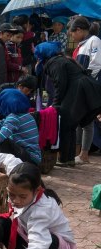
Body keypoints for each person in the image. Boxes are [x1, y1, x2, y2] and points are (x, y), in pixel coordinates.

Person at [35, 42, 101, 166]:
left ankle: (65, 159)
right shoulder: (63, 59)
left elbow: (60, 84)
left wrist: (55, 104)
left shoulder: (54, 63)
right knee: (71, 125)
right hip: (85, 90)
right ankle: (69, 159)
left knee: (66, 124)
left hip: (79, 91)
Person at [70, 16, 101, 164]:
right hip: (81, 87)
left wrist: (85, 83)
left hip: (89, 87)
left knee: (87, 121)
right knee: (79, 119)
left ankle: (84, 154)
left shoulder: (94, 41)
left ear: (79, 30)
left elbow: (96, 65)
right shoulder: (81, 45)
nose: (72, 36)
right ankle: (78, 152)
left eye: (72, 33)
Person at [0, 89, 41, 165]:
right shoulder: (27, 115)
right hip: (32, 157)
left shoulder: (13, 118)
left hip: (29, 158)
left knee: (1, 141)